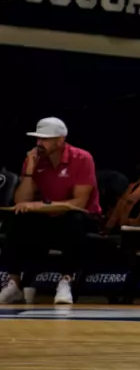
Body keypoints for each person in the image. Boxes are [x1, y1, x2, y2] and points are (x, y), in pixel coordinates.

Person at [0, 118, 98, 306]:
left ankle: (65, 282)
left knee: (74, 220)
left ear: (60, 140)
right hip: (47, 219)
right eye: (37, 139)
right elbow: (21, 201)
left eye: (44, 139)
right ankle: (14, 284)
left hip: (81, 218)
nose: (39, 143)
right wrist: (29, 170)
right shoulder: (35, 160)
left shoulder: (82, 158)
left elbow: (79, 203)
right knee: (16, 218)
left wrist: (40, 206)